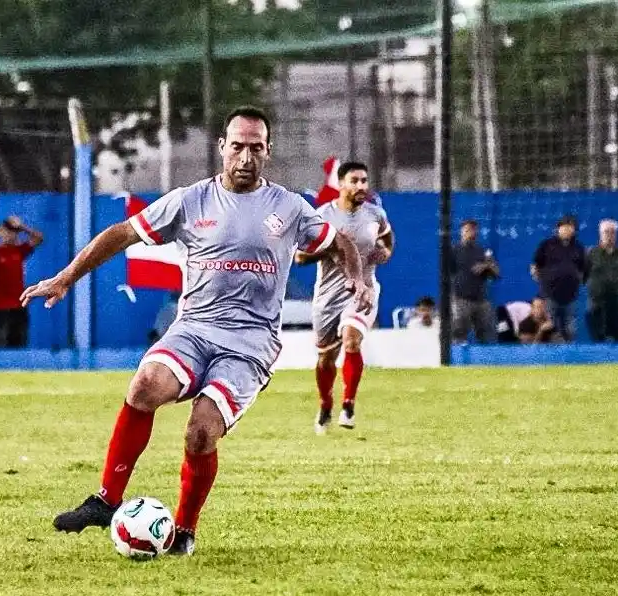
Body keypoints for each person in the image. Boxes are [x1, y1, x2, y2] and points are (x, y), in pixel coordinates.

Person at [21, 106, 369, 555]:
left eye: (256, 148)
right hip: (194, 330)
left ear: (268, 151)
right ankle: (107, 500)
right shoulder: (189, 200)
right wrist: (67, 276)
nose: (246, 156)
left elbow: (337, 241)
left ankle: (183, 531)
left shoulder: (288, 207)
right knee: (144, 385)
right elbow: (123, 233)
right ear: (222, 147)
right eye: (237, 146)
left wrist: (356, 276)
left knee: (200, 432)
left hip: (250, 345)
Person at [295, 161, 393, 435]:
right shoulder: (322, 215)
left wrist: (384, 253)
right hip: (327, 296)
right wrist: (331, 249)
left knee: (352, 339)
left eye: (364, 180)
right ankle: (326, 403)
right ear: (341, 184)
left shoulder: (376, 215)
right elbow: (300, 257)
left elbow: (387, 241)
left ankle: (348, 405)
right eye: (355, 181)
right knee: (326, 358)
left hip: (363, 290)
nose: (362, 186)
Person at [0, 215, 43, 348]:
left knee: (19, 344)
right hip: (0, 307)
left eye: (14, 232)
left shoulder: (19, 250)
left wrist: (23, 227)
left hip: (19, 307)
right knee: (0, 345)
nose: (12, 235)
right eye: (8, 231)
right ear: (3, 232)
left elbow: (39, 238)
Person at [531, 215, 586, 342]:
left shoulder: (578, 247)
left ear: (574, 230)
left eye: (570, 227)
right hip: (550, 295)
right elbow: (535, 265)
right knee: (552, 329)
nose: (567, 230)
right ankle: (551, 360)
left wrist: (576, 281)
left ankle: (569, 358)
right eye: (564, 227)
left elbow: (582, 268)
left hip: (570, 296)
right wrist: (543, 282)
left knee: (570, 330)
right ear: (558, 229)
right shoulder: (546, 245)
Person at [449, 219, 499, 343]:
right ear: (461, 232)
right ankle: (457, 359)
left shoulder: (483, 251)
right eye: (467, 230)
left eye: (473, 229)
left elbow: (496, 273)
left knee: (487, 333)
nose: (470, 232)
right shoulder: (454, 250)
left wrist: (486, 266)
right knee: (459, 332)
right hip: (461, 298)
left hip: (481, 299)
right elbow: (448, 273)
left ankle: (486, 359)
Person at [585, 219, 618, 343]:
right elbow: (583, 274)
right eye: (606, 232)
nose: (609, 236)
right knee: (598, 341)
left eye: (612, 232)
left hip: (616, 304)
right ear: (600, 234)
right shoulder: (591, 254)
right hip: (596, 305)